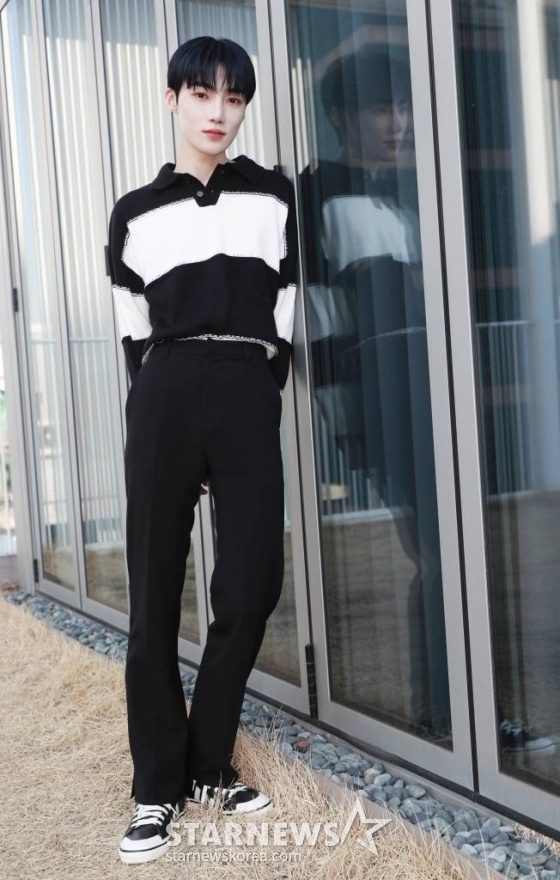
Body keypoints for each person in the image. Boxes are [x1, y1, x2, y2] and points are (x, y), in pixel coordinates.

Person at [107, 35, 298, 865]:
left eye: (234, 97)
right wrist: (163, 412)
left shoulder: (273, 197)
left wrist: (255, 399)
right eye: (202, 95)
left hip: (246, 385)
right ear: (172, 100)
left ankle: (208, 760)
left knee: (253, 584)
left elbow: (285, 312)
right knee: (154, 592)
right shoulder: (134, 213)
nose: (219, 112)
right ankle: (158, 787)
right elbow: (132, 333)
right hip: (167, 387)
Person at [298, 45, 451, 741]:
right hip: (383, 401)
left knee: (447, 550)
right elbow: (317, 316)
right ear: (341, 116)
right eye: (381, 108)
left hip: (425, 390)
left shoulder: (403, 193)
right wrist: (343, 416)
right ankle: (446, 715)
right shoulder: (320, 194)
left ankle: (451, 711)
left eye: (404, 106)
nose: (398, 122)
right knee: (439, 552)